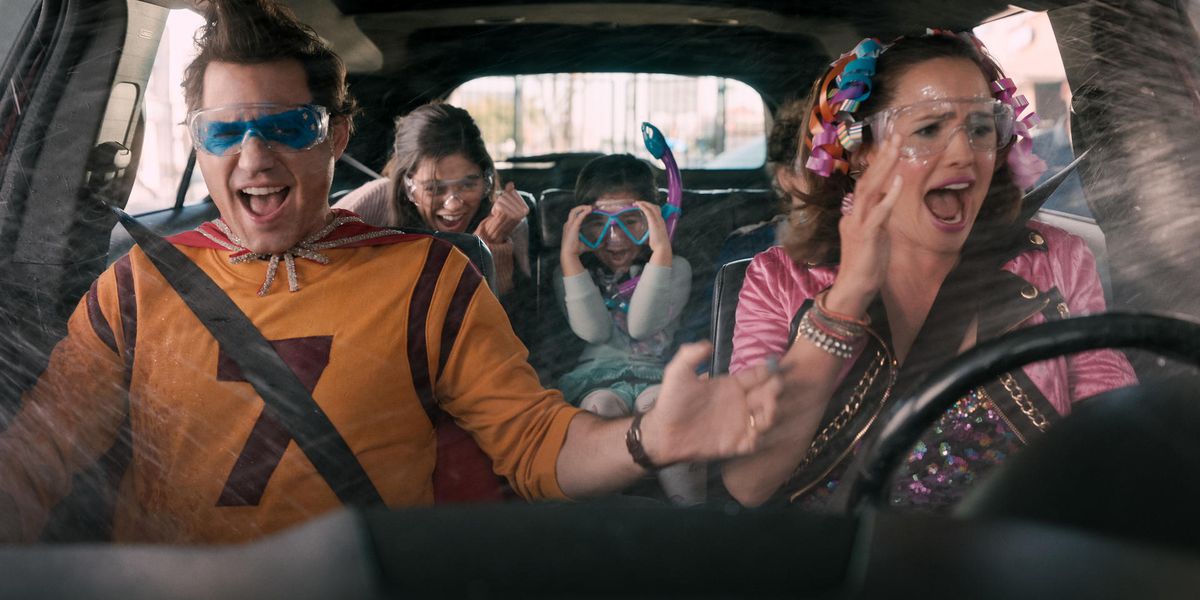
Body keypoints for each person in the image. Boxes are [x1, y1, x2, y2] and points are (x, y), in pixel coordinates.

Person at [0, 0, 782, 543]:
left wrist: (648, 438)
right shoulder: (136, 284)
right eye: (224, 131)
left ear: (337, 134)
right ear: (196, 140)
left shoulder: (431, 279)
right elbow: (36, 462)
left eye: (287, 126)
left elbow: (534, 443)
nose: (254, 156)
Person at [721, 31, 1136, 511]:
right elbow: (749, 482)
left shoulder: (1054, 260)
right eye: (928, 130)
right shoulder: (779, 279)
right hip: (841, 566)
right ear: (861, 153)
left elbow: (1115, 440)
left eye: (981, 128)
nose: (964, 154)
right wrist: (847, 297)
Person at [554, 154, 701, 504]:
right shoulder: (571, 274)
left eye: (632, 222)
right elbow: (593, 332)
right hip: (596, 379)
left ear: (658, 221)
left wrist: (661, 252)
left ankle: (693, 514)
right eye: (597, 225)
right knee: (599, 408)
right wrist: (570, 260)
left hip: (655, 376)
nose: (614, 238)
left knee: (660, 410)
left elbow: (641, 326)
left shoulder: (675, 268)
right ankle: (600, 520)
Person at [334, 102, 531, 298]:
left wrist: (491, 245)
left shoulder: (507, 221)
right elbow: (313, 257)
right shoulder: (375, 201)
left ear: (486, 179)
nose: (453, 204)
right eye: (434, 188)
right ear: (407, 184)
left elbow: (514, 322)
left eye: (468, 185)